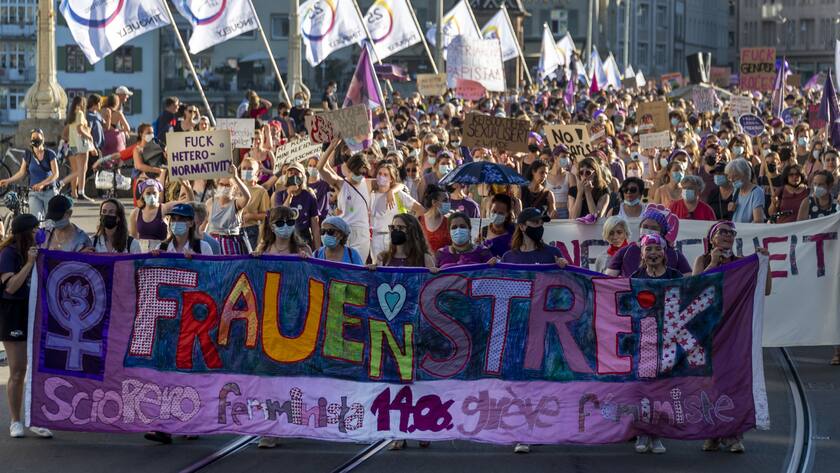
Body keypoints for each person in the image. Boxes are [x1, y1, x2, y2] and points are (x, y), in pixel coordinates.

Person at [693, 220, 770, 453]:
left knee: (734, 381)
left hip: (735, 330)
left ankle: (734, 434)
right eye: (722, 232)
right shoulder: (703, 260)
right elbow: (694, 288)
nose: (727, 236)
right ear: (712, 238)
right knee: (710, 382)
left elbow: (763, 289)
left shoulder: (741, 263)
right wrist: (714, 263)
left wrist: (765, 263)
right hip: (710, 329)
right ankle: (712, 433)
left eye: (731, 233)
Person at [0, 214, 53, 439]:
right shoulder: (9, 254)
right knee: (18, 369)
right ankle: (15, 420)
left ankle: (35, 418)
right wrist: (30, 264)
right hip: (13, 313)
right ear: (24, 232)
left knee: (38, 368)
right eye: (34, 230)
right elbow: (11, 287)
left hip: (35, 311)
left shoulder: (37, 249)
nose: (37, 233)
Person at [317, 140, 374, 262]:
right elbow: (320, 167)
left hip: (362, 235)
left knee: (357, 271)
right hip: (343, 233)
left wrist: (391, 191)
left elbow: (394, 182)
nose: (359, 174)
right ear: (349, 169)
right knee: (342, 270)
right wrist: (332, 146)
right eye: (356, 171)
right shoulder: (341, 184)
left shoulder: (369, 183)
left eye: (362, 172)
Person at [605, 207, 691, 277]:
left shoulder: (675, 255)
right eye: (645, 226)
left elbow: (689, 283)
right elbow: (608, 281)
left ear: (662, 232)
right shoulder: (625, 252)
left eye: (653, 228)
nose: (648, 230)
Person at [0, 128, 59, 219]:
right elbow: (21, 172)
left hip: (50, 191)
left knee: (51, 222)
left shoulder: (50, 154)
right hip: (34, 192)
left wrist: (42, 184)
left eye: (37, 137)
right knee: (35, 221)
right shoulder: (28, 155)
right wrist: (8, 180)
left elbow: (55, 174)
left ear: (42, 138)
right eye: (33, 137)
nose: (35, 139)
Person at [130, 179, 192, 251]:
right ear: (142, 195)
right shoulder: (135, 213)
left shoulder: (165, 208)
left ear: (159, 194)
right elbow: (133, 237)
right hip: (142, 254)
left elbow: (188, 205)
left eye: (154, 193)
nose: (152, 196)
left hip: (160, 253)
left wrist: (188, 189)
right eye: (148, 193)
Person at [274, 162, 322, 249]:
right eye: (291, 173)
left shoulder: (309, 196)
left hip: (304, 238)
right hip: (285, 238)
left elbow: (315, 226)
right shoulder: (280, 195)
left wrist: (318, 250)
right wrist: (289, 196)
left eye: (296, 173)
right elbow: (279, 216)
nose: (293, 176)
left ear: (302, 177)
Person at [206, 165, 252, 255]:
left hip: (231, 245)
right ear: (217, 185)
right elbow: (203, 225)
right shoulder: (210, 202)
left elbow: (247, 197)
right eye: (222, 184)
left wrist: (235, 177)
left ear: (234, 188)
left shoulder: (237, 203)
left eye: (228, 185)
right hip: (212, 243)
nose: (224, 187)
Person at [499, 208, 567, 265]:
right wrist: (491, 267)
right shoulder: (508, 257)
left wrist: (564, 267)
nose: (539, 226)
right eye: (535, 222)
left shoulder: (553, 253)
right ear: (522, 226)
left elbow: (568, 279)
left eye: (541, 223)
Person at [61, 95, 96, 201]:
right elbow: (80, 129)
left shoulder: (71, 116)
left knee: (77, 170)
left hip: (73, 145)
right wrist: (89, 136)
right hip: (82, 145)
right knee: (82, 169)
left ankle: (74, 192)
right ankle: (79, 191)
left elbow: (67, 132)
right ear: (82, 104)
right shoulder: (80, 114)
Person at [240, 158, 271, 250]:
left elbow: (266, 214)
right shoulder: (234, 188)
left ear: (257, 172)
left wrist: (251, 216)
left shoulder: (261, 191)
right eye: (244, 168)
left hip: (251, 231)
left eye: (250, 169)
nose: (246, 171)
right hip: (234, 231)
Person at [726, 158, 765, 223]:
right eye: (730, 177)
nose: (732, 180)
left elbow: (758, 221)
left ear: (745, 174)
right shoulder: (736, 190)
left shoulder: (756, 192)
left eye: (735, 176)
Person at [419, 184, 451, 252]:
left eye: (449, 200)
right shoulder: (418, 220)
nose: (448, 203)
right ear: (434, 202)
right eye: (445, 200)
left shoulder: (450, 221)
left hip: (445, 261)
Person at [546, 145, 572, 219]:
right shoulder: (545, 176)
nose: (567, 159)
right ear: (555, 158)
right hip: (548, 213)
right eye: (563, 156)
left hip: (565, 213)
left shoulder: (570, 176)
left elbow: (573, 200)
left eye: (568, 157)